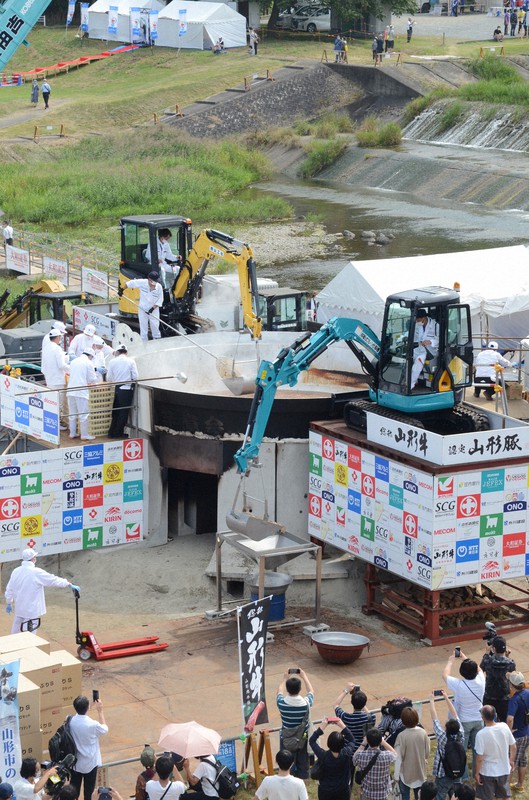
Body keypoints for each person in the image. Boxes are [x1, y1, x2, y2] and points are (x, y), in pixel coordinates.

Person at [5, 547, 80, 635]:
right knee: (29, 638)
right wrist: (68, 583)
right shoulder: (36, 572)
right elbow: (52, 580)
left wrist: (9, 602)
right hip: (31, 612)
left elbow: (9, 589)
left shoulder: (16, 571)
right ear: (33, 559)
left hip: (20, 609)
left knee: (15, 634)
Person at [442, 650, 485, 770]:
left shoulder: (459, 684)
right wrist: (464, 658)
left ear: (462, 672)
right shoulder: (481, 680)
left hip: (464, 721)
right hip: (478, 719)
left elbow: (445, 675)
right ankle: (478, 772)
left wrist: (451, 661)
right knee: (478, 750)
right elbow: (479, 670)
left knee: (462, 751)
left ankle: (463, 775)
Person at [276, 668, 314, 779]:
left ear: (287, 689)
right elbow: (311, 691)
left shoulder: (282, 703)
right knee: (303, 764)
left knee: (286, 764)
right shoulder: (306, 703)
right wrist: (304, 676)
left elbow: (279, 691)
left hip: (286, 738)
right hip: (303, 737)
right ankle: (302, 787)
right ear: (300, 688)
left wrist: (284, 679)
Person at [69, 695, 108, 800]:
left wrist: (89, 705)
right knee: (89, 793)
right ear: (87, 708)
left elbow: (80, 713)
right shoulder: (92, 724)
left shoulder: (70, 720)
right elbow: (105, 729)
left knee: (73, 792)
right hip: (90, 764)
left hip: (75, 763)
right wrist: (100, 711)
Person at [429, 690, 466, 800]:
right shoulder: (461, 734)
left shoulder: (442, 737)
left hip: (443, 773)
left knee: (439, 795)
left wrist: (431, 700)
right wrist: (446, 697)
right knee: (455, 795)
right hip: (458, 771)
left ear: (446, 729)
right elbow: (455, 715)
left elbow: (434, 718)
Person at [474, 705, 516, 800]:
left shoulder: (480, 734)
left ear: (483, 718)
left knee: (486, 797)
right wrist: (511, 760)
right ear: (495, 715)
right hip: (504, 769)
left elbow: (479, 758)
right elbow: (513, 746)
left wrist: (477, 773)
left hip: (487, 772)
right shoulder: (504, 726)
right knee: (505, 796)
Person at [309, 717, 355, 800]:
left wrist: (322, 727)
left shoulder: (323, 755)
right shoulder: (346, 753)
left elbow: (312, 741)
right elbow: (352, 740)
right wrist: (342, 725)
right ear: (343, 744)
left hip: (325, 791)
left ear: (328, 744)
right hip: (343, 790)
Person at [395, 706, 431, 800]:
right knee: (419, 796)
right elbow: (427, 751)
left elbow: (398, 758)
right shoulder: (423, 732)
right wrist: (424, 758)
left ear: (402, 720)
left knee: (404, 796)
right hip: (420, 772)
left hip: (405, 774)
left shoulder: (401, 736)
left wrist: (396, 776)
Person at [353, 728, 397, 800]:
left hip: (367, 793)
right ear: (380, 741)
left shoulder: (360, 755)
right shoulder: (386, 755)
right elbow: (395, 755)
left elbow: (354, 757)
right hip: (383, 793)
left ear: (368, 741)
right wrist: (383, 742)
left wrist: (364, 743)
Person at [480, 635, 516, 723]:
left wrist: (487, 652)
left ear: (493, 649)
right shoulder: (511, 663)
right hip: (504, 697)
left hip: (489, 696)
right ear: (505, 648)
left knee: (488, 721)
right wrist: (507, 656)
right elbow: (512, 673)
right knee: (504, 721)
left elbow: (480, 669)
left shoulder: (487, 660)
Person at [334, 685, 376, 757]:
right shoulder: (371, 717)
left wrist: (346, 691)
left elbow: (335, 705)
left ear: (351, 702)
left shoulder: (346, 717)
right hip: (364, 751)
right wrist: (360, 699)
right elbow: (368, 713)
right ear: (365, 703)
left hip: (349, 751)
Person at [107, 344, 139, 438]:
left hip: (117, 388)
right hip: (126, 389)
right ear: (126, 352)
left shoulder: (112, 361)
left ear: (117, 352)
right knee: (123, 412)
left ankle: (111, 432)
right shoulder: (131, 361)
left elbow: (109, 378)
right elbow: (136, 377)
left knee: (116, 411)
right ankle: (118, 433)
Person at [67, 347, 98, 440]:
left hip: (70, 390)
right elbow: (92, 379)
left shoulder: (74, 361)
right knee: (83, 414)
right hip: (81, 391)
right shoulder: (88, 363)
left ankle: (72, 433)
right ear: (90, 356)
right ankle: (84, 435)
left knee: (72, 414)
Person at [41, 328, 69, 430]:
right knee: (58, 403)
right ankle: (56, 425)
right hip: (57, 379)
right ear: (58, 337)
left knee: (51, 402)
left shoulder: (47, 347)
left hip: (49, 378)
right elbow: (61, 365)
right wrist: (72, 368)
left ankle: (51, 423)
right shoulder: (57, 349)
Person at [123, 272, 163, 342]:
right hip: (142, 309)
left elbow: (160, 300)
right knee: (143, 327)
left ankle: (157, 340)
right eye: (154, 281)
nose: (156, 282)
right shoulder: (143, 283)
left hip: (154, 310)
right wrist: (121, 289)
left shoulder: (159, 287)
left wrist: (152, 309)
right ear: (149, 280)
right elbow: (130, 283)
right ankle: (144, 342)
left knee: (155, 326)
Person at [506, 672, 529, 791]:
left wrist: (508, 732)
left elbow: (510, 719)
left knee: (511, 761)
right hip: (526, 732)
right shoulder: (528, 693)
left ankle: (506, 791)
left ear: (512, 685)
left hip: (517, 735)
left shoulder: (514, 699)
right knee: (522, 759)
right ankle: (520, 785)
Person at [411, 308, 439, 389]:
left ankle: (411, 384)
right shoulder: (418, 325)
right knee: (407, 357)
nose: (417, 322)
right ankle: (412, 379)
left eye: (418, 320)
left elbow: (439, 340)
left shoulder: (435, 326)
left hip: (431, 351)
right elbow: (415, 336)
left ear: (423, 318)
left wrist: (430, 341)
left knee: (419, 360)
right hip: (420, 349)